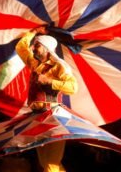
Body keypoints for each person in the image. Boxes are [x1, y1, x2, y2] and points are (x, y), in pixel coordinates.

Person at [15, 27, 78, 172]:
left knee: (50, 164)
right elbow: (21, 47)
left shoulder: (59, 67)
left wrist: (49, 81)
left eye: (37, 45)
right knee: (46, 163)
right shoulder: (35, 64)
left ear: (46, 49)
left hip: (54, 117)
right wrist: (33, 32)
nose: (33, 48)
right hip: (37, 117)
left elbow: (73, 88)